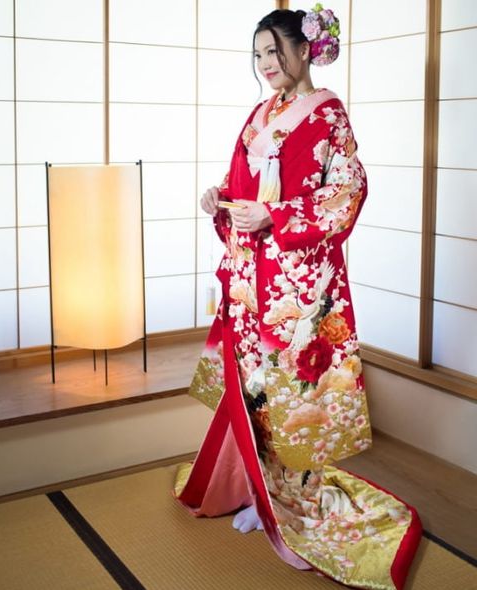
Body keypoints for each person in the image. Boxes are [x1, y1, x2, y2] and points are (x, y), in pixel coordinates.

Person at [174, 6, 422, 589]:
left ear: (306, 50)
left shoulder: (328, 113)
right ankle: (257, 492)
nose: (266, 64)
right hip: (253, 275)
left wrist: (277, 215)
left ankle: (296, 506)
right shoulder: (260, 113)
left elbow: (348, 191)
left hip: (301, 282)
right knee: (256, 390)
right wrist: (220, 198)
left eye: (274, 51)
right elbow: (242, 184)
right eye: (258, 53)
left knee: (296, 394)